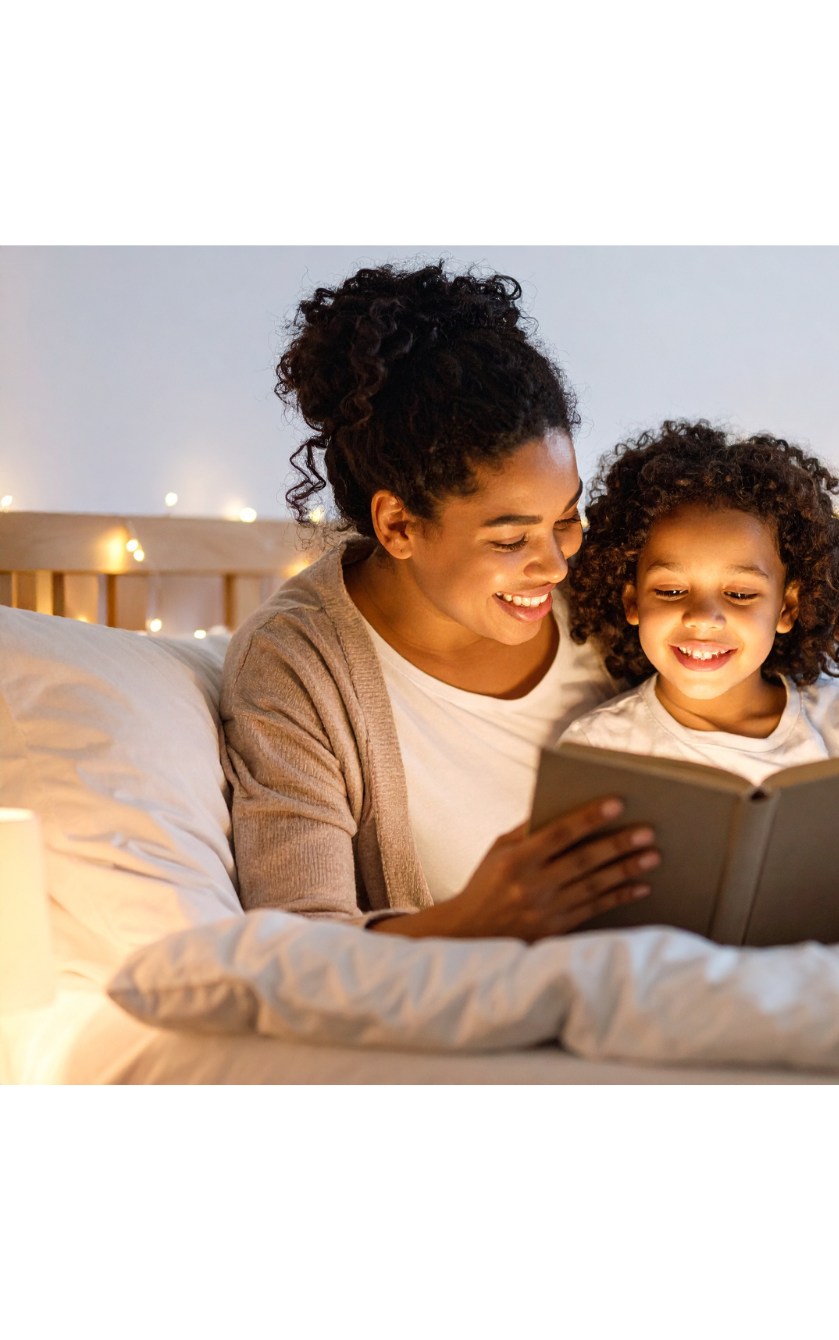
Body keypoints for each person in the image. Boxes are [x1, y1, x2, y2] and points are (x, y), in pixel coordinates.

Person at [220, 262, 659, 940]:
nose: (556, 562)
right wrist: (473, 920)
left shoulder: (613, 596)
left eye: (566, 518)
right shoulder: (296, 666)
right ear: (399, 525)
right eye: (511, 538)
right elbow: (301, 945)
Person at [560, 420, 839, 909]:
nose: (703, 618)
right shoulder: (594, 753)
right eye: (670, 591)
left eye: (739, 594)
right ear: (632, 602)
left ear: (787, 608)